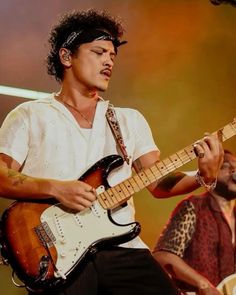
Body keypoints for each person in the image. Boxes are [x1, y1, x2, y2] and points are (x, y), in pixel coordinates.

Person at [0, 8, 223, 295]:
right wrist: (56, 189)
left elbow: (156, 182)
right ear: (66, 57)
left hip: (123, 249)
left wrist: (203, 175)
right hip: (57, 254)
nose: (109, 61)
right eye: (98, 52)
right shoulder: (29, 115)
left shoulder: (128, 120)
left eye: (112, 55)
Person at [153, 150, 236, 295]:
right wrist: (203, 284)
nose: (234, 171)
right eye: (226, 166)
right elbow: (163, 255)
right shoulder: (194, 206)